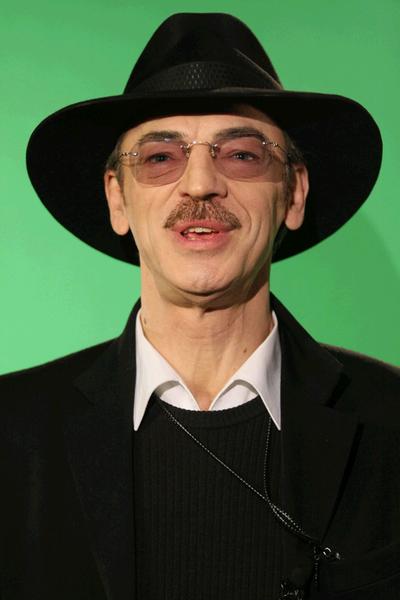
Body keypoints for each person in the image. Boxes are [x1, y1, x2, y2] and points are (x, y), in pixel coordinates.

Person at [1, 12, 399, 600]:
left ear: (294, 193)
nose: (199, 184)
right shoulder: (12, 431)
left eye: (241, 155)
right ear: (117, 199)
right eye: (160, 158)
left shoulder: (391, 422)